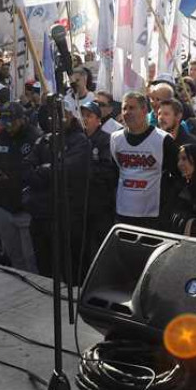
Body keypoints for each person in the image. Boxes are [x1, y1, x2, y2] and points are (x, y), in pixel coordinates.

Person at [22, 98, 92, 280]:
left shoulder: (80, 142)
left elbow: (65, 170)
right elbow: (26, 168)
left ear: (69, 116)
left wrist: (44, 170)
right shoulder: (44, 140)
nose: (54, 119)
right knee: (45, 268)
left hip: (65, 217)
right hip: (40, 215)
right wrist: (46, 171)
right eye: (51, 115)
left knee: (68, 270)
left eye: (59, 115)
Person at [109, 91, 180, 231]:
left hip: (152, 215)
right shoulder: (115, 139)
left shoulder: (163, 140)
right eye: (124, 108)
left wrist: (167, 202)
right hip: (123, 213)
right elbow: (114, 172)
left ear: (144, 110)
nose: (127, 112)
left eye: (132, 108)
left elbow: (177, 174)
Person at [0, 103, 40, 273]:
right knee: (13, 254)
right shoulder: (0, 136)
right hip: (5, 206)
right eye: (5, 122)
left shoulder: (36, 138)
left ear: (22, 119)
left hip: (27, 208)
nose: (8, 126)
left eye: (12, 122)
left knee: (31, 257)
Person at [78, 99, 119, 270]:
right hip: (80, 205)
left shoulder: (105, 140)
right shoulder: (77, 139)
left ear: (98, 119)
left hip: (100, 206)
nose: (85, 119)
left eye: (89, 115)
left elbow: (108, 170)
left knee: (98, 248)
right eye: (83, 115)